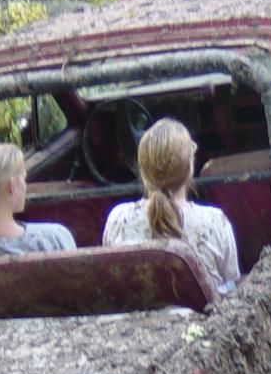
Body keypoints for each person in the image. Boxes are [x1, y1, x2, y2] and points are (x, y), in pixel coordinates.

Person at [102, 118, 241, 296]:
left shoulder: (118, 218)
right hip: (203, 314)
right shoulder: (215, 221)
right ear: (190, 168)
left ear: (143, 171)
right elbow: (230, 280)